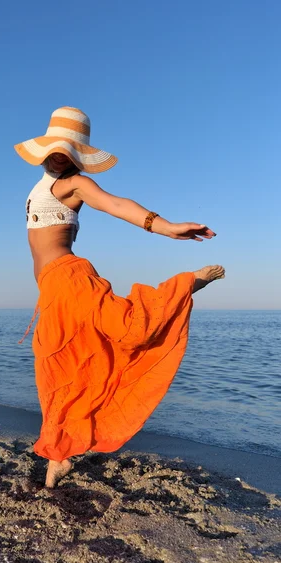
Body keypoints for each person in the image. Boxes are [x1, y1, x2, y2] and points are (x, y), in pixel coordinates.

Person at [15, 106, 225, 488]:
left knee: (127, 329)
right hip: (52, 291)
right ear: (45, 150)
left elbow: (116, 205)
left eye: (69, 150)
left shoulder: (73, 183)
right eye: (57, 148)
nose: (61, 155)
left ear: (78, 156)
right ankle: (59, 455)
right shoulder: (46, 182)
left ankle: (185, 285)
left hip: (70, 280)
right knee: (60, 371)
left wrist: (168, 228)